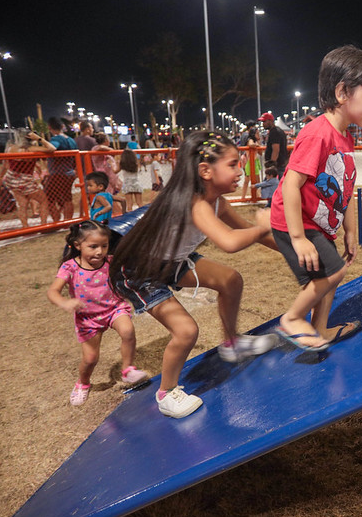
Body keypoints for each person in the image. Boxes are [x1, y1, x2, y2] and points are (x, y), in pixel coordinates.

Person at [109, 131, 278, 418]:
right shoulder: (195, 202)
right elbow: (229, 242)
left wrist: (296, 248)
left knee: (230, 280)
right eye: (233, 164)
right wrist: (264, 225)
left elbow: (244, 231)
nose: (241, 171)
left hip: (171, 261)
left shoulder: (217, 202)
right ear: (205, 170)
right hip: (140, 272)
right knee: (186, 331)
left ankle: (232, 343)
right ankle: (166, 394)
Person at [270, 44, 362, 350]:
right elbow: (290, 185)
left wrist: (350, 230)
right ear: (342, 93)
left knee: (330, 277)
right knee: (333, 272)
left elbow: (344, 190)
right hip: (294, 222)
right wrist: (298, 238)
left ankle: (319, 329)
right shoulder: (317, 133)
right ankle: (293, 318)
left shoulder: (345, 137)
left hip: (319, 223)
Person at [48, 220, 148, 407]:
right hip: (88, 318)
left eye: (104, 246)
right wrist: (65, 302)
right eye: (93, 246)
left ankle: (127, 370)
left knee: (127, 331)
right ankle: (83, 383)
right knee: (90, 358)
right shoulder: (70, 267)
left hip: (114, 308)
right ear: (78, 245)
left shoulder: (110, 261)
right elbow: (52, 291)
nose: (99, 251)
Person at [2, 128, 54, 227]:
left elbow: (6, 164)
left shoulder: (11, 148)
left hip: (11, 178)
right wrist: (39, 139)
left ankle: (25, 228)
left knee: (23, 204)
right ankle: (43, 225)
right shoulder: (30, 149)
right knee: (43, 201)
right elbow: (52, 148)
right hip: (24, 179)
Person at [45, 117, 80, 222]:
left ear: (49, 127)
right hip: (69, 172)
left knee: (47, 198)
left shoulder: (56, 139)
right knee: (67, 197)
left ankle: (56, 220)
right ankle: (67, 220)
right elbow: (76, 157)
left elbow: (53, 147)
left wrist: (40, 142)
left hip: (57, 173)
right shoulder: (70, 140)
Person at [240, 125, 262, 200]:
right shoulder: (250, 140)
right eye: (257, 133)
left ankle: (256, 195)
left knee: (256, 181)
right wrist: (257, 144)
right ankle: (247, 197)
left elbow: (260, 153)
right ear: (253, 134)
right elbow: (251, 144)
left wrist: (258, 142)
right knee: (248, 181)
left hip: (254, 162)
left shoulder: (255, 140)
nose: (258, 135)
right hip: (250, 162)